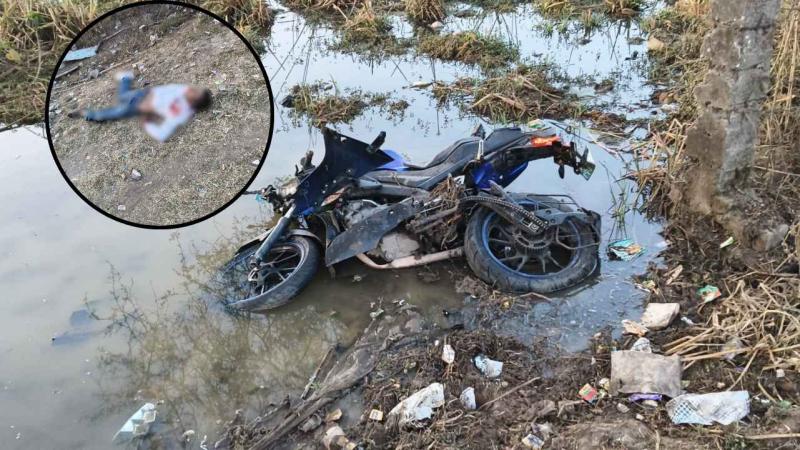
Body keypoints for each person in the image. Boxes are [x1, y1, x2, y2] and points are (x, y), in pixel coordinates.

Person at [68, 71, 212, 142]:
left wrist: (147, 123)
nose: (191, 88)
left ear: (194, 102)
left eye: (195, 92)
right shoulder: (183, 91)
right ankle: (125, 79)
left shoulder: (181, 114)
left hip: (138, 106)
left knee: (119, 106)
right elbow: (166, 90)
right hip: (142, 98)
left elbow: (162, 134)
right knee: (119, 103)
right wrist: (151, 98)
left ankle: (88, 114)